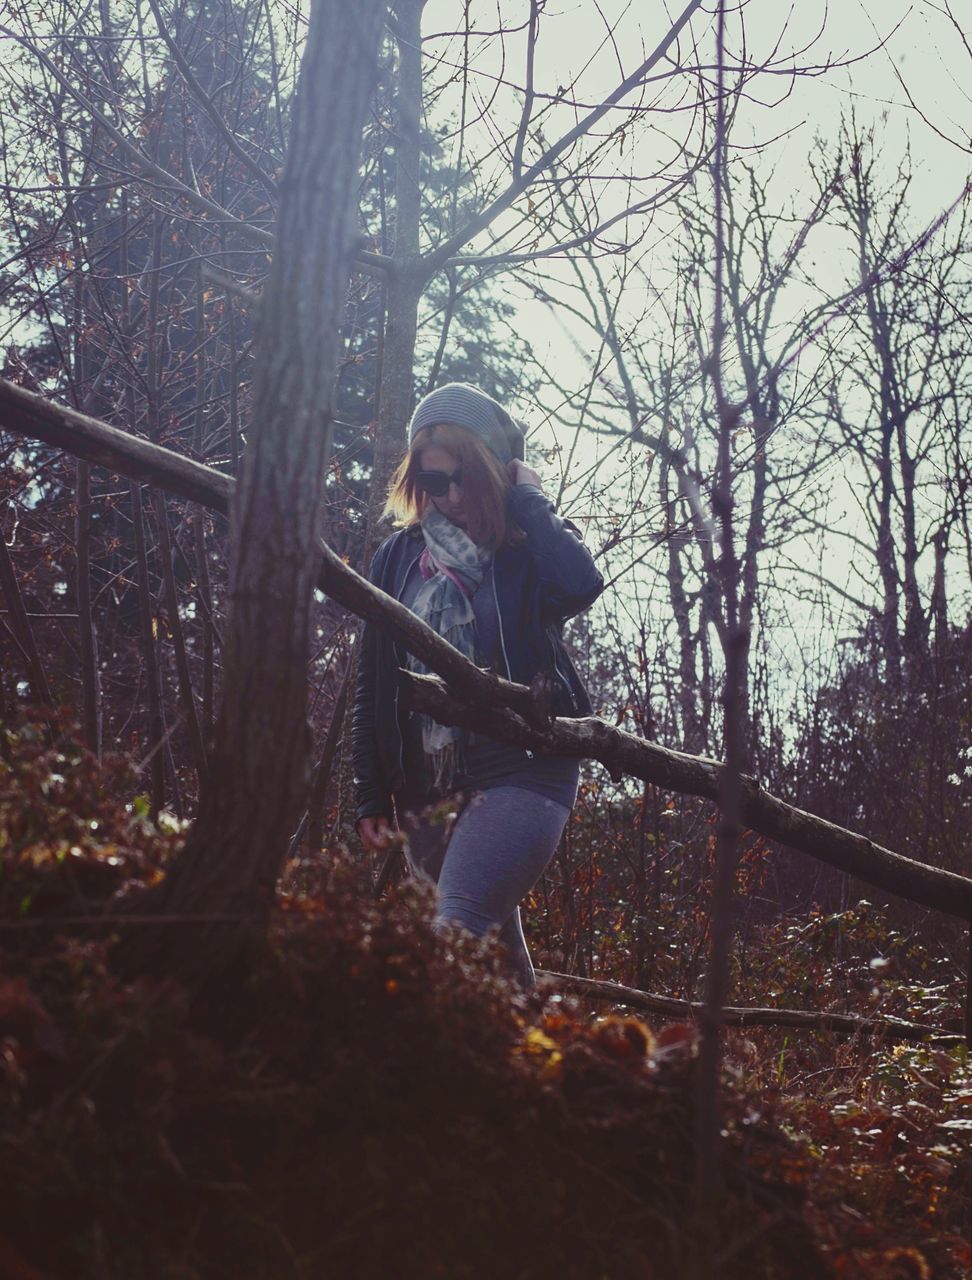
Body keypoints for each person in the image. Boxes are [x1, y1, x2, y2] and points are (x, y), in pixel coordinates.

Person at [351, 383, 603, 987]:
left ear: (495, 473)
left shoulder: (522, 548)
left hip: (522, 770)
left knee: (452, 938)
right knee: (500, 973)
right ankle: (548, 1078)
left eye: (467, 478)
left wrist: (530, 500)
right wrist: (369, 793)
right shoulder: (397, 559)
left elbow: (579, 585)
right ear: (417, 480)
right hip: (428, 791)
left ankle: (402, 1080)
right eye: (437, 482)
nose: (453, 496)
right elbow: (374, 679)